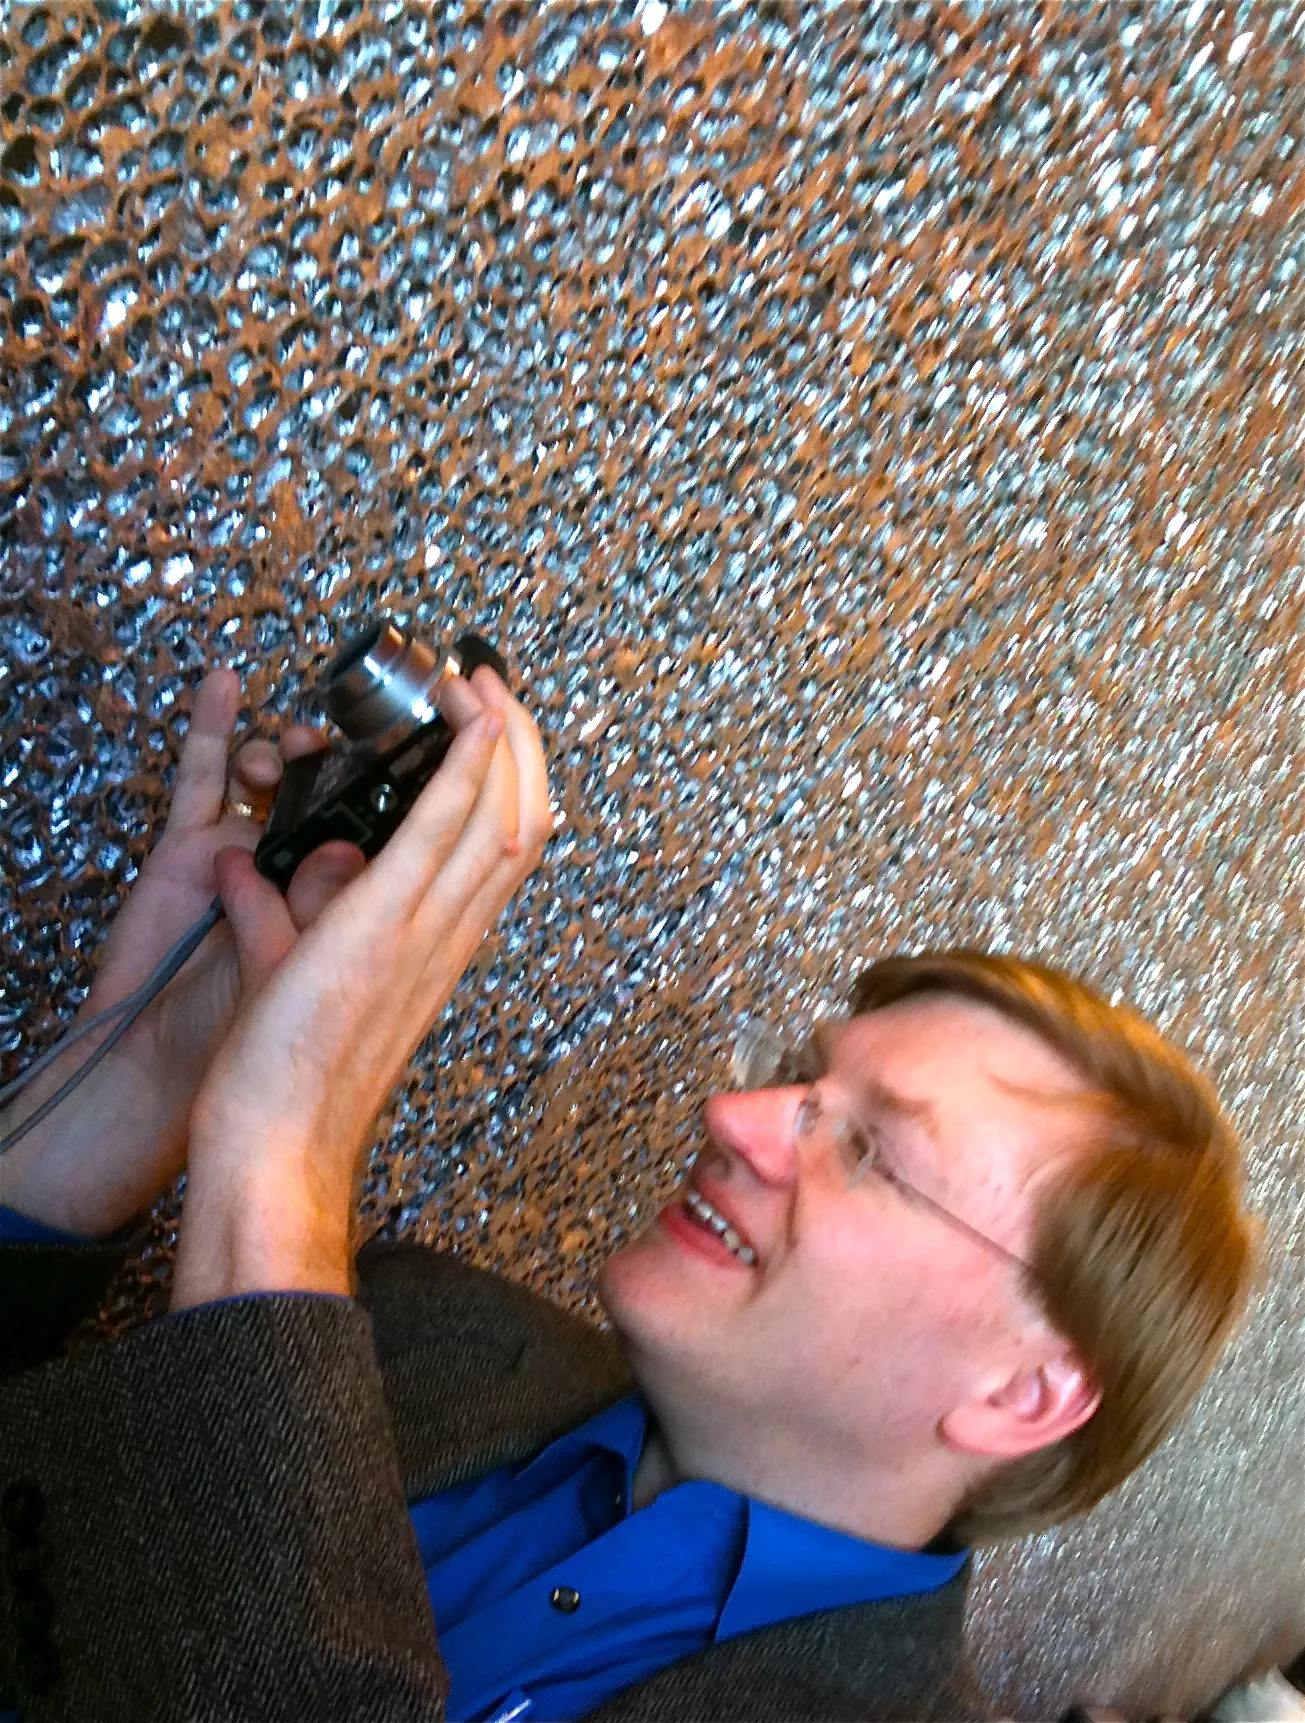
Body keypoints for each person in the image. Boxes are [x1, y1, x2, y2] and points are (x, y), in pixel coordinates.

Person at [0, 657, 1259, 1723]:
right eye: (800, 1079)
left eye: (869, 1151)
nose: (734, 1118)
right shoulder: (425, 1319)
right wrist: (127, 1101)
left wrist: (282, 1152)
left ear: (1020, 1392)